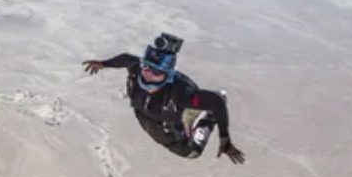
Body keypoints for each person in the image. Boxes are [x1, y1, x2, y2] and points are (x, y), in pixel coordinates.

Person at [82, 33, 245, 164]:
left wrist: (225, 139)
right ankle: (191, 113)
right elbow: (126, 59)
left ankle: (207, 119)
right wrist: (103, 64)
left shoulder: (180, 94)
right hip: (149, 120)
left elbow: (216, 103)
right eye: (146, 66)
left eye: (156, 71)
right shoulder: (137, 70)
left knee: (192, 153)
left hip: (171, 134)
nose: (148, 73)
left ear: (167, 75)